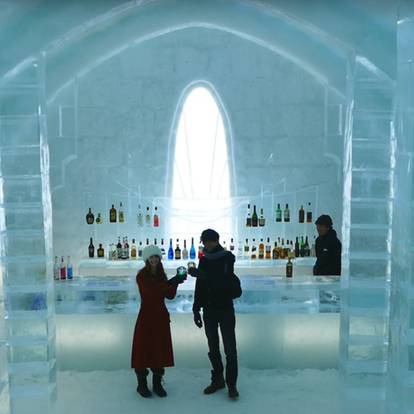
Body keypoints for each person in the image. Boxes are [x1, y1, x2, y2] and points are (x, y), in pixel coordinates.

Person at [188, 229, 242, 400]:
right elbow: (200, 286)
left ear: (217, 241)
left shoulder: (227, 257)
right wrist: (196, 308)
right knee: (213, 347)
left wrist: (202, 274)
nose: (208, 244)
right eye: (205, 241)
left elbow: (223, 280)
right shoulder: (204, 258)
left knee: (230, 350)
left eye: (210, 241)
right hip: (209, 309)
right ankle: (218, 380)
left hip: (225, 308)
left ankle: (231, 384)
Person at [131, 245, 185, 398]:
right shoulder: (141, 276)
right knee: (143, 349)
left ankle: (157, 384)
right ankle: (141, 384)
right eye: (151, 257)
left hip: (160, 316)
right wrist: (171, 281)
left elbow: (169, 295)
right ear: (147, 259)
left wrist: (176, 282)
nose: (154, 259)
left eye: (156, 257)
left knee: (159, 348)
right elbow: (150, 293)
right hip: (146, 316)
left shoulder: (162, 275)